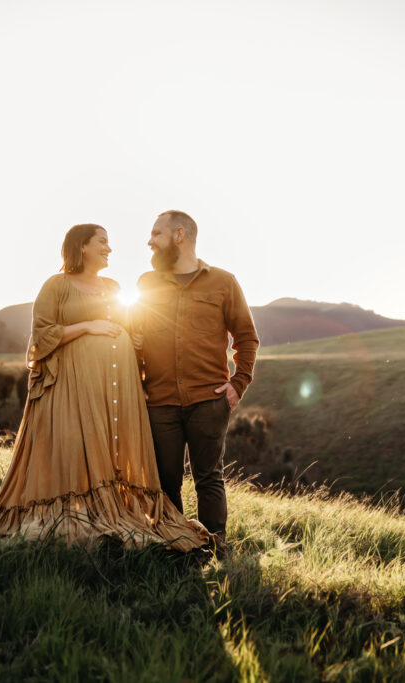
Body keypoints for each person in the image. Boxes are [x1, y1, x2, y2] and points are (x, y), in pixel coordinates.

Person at [0, 224, 208, 553]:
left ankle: (115, 510)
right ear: (81, 247)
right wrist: (87, 326)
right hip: (72, 384)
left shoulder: (113, 285)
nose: (109, 248)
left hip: (116, 387)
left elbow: (130, 328)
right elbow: (43, 335)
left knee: (110, 449)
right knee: (77, 444)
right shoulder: (57, 285)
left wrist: (141, 359)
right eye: (102, 242)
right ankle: (80, 512)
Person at [133, 210, 259, 557]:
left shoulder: (223, 282)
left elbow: (247, 337)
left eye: (156, 233)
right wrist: (135, 378)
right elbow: (134, 336)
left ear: (179, 236)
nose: (149, 241)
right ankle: (177, 547)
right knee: (166, 481)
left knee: (209, 479)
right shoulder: (147, 283)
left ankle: (216, 547)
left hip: (209, 400)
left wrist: (239, 382)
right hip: (159, 400)